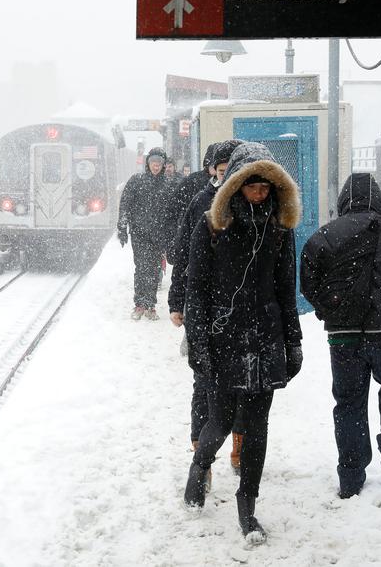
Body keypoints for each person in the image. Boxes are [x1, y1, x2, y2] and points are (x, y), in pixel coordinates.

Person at [182, 142, 303, 544]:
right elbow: (195, 288)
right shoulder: (211, 226)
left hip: (264, 338)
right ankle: (200, 466)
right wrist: (198, 341)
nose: (260, 193)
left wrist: (294, 341)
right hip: (223, 338)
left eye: (267, 186)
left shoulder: (279, 229)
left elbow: (287, 289)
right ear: (235, 186)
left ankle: (247, 506)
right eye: (252, 185)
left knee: (258, 425)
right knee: (219, 419)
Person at [300, 172, 381, 499]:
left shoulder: (325, 236)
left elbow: (308, 280)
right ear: (379, 198)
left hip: (343, 336)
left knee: (348, 402)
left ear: (344, 200)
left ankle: (350, 475)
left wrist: (328, 309)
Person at [167, 139, 244, 470]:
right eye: (222, 169)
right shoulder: (202, 202)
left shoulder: (255, 201)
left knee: (245, 385)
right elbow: (183, 256)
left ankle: (240, 449)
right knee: (204, 381)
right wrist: (176, 300)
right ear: (212, 169)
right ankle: (203, 454)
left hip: (243, 311)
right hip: (206, 308)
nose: (226, 176)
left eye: (233, 170)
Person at [117, 148, 174, 320]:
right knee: (141, 267)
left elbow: (172, 212)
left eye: (159, 163)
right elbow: (125, 204)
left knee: (155, 269)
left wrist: (172, 233)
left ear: (163, 165)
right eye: (153, 163)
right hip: (139, 233)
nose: (156, 166)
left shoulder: (168, 184)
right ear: (148, 164)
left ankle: (151, 305)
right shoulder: (136, 181)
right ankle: (140, 304)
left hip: (159, 234)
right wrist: (122, 227)